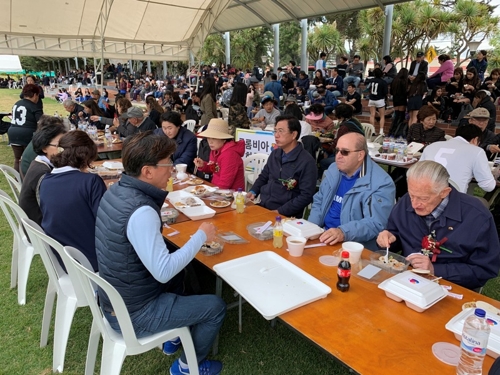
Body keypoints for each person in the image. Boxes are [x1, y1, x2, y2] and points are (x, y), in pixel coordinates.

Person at [95, 132, 225, 375]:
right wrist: (200, 236)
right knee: (215, 306)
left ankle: (174, 336)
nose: (172, 169)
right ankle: (188, 367)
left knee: (182, 275)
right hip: (132, 313)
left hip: (117, 298)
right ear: (147, 171)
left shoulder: (115, 190)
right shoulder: (141, 210)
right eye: (168, 163)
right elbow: (163, 271)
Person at [377, 160, 500, 290]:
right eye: (412, 195)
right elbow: (395, 232)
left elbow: (485, 269)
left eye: (424, 199)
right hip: (406, 280)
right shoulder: (407, 202)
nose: (414, 204)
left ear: (444, 192)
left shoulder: (477, 217)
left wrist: (435, 269)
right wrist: (389, 237)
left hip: (452, 287)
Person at [309, 132, 395, 250]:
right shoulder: (334, 169)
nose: (338, 156)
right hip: (323, 237)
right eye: (337, 150)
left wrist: (343, 232)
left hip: (354, 246)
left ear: (360, 155)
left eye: (344, 152)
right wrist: (311, 229)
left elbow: (376, 223)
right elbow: (319, 200)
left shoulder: (381, 183)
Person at [39, 131, 107, 271]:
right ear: (86, 157)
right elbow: (106, 224)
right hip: (91, 261)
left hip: (61, 258)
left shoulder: (45, 181)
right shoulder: (90, 182)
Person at [247, 115, 317, 217]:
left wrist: (280, 212)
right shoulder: (275, 154)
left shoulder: (306, 162)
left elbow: (306, 196)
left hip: (286, 215)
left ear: (293, 134)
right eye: (275, 131)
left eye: (281, 131)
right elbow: (264, 176)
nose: (276, 135)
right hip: (264, 206)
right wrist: (253, 191)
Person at [420, 124, 495, 193]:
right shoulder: (477, 151)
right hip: (452, 199)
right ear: (475, 140)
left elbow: (417, 173)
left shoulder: (432, 146)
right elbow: (488, 186)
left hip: (422, 194)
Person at [19, 118, 66, 225]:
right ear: (44, 148)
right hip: (40, 230)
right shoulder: (43, 173)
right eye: (59, 146)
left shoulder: (40, 163)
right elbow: (55, 209)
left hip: (38, 223)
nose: (64, 150)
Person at [194, 119, 245, 190]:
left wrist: (209, 192)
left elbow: (225, 184)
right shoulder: (215, 150)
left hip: (232, 196)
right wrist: (203, 165)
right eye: (208, 138)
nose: (210, 142)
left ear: (224, 139)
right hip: (217, 189)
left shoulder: (229, 155)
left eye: (214, 138)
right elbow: (216, 169)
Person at [317, 103, 365, 175]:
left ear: (340, 114)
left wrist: (328, 150)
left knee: (323, 161)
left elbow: (337, 143)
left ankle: (327, 179)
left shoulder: (344, 127)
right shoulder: (354, 121)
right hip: (358, 150)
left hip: (348, 154)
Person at [8, 84, 43, 172]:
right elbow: (41, 122)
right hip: (27, 133)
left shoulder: (17, 103)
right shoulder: (35, 106)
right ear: (35, 95)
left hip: (12, 132)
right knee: (29, 160)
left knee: (17, 159)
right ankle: (28, 181)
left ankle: (17, 181)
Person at [367, 68, 388, 135]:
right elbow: (385, 92)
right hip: (380, 99)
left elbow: (368, 88)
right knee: (382, 116)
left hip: (371, 99)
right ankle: (381, 131)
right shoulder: (383, 82)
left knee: (372, 115)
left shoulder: (371, 80)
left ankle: (373, 130)